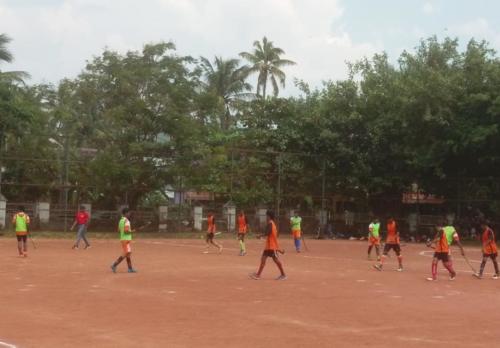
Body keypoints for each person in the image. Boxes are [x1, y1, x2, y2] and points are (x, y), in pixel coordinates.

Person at [250, 210, 286, 280]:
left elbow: (267, 233)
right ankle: (258, 275)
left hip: (272, 246)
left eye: (267, 216)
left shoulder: (270, 224)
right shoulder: (272, 224)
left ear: (269, 216)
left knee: (276, 260)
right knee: (263, 259)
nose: (266, 217)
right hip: (269, 246)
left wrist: (259, 236)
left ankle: (283, 274)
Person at [110, 208, 137, 273]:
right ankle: (114, 264)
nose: (129, 214)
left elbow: (119, 230)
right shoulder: (127, 221)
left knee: (128, 253)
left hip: (123, 239)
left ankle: (130, 268)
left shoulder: (121, 220)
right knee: (126, 253)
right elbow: (126, 231)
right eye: (129, 213)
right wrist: (132, 231)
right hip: (126, 240)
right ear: (126, 213)